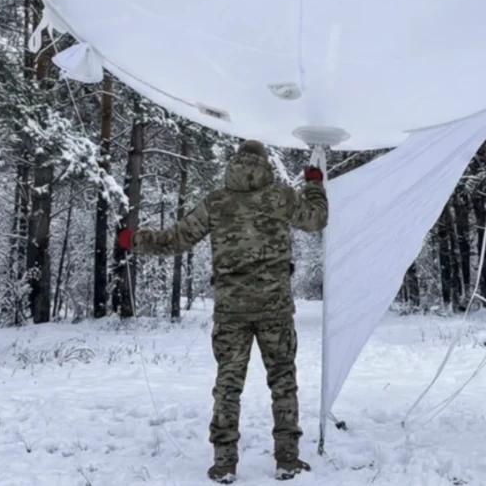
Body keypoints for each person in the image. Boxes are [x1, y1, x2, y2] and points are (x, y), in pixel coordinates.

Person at [117, 139, 328, 483]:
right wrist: (314, 183)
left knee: (228, 387)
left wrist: (135, 240)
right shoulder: (282, 197)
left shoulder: (216, 202)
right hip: (275, 309)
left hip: (231, 312)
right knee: (283, 382)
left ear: (235, 163)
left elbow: (177, 239)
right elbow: (317, 219)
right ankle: (287, 459)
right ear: (264, 163)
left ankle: (224, 464)